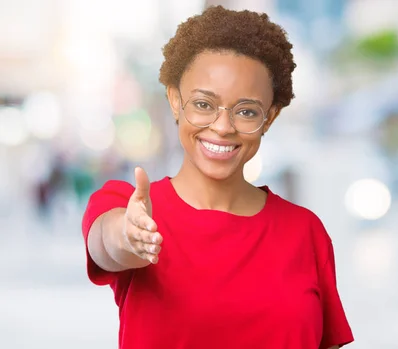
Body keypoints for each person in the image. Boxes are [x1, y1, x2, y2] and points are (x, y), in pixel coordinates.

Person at [82, 5, 354, 349]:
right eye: (203, 104)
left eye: (246, 111)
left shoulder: (305, 232)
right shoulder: (131, 208)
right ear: (175, 101)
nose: (223, 127)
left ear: (269, 118)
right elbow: (108, 244)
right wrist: (129, 235)